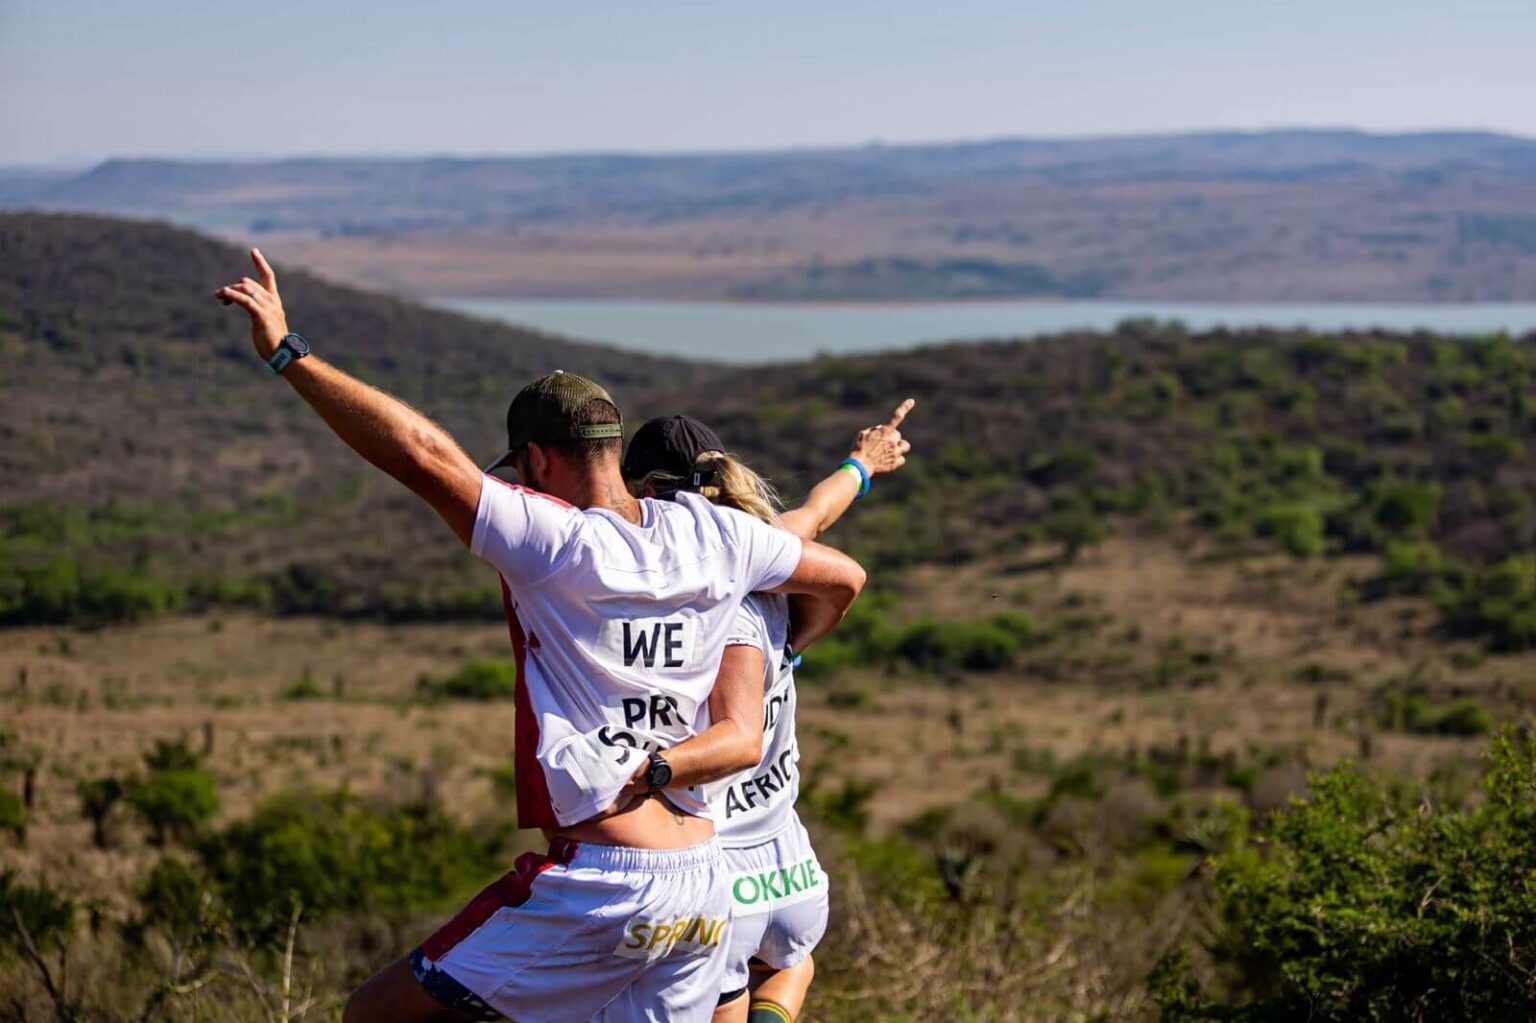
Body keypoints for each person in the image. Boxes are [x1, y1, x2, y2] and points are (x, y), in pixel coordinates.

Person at [215, 250, 868, 1023]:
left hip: (606, 880)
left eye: (521, 475)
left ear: (537, 460)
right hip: (702, 882)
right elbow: (841, 575)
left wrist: (291, 353)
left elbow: (422, 457)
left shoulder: (555, 542)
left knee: (375, 1013)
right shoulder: (716, 537)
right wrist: (789, 648)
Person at [621, 401, 914, 1023]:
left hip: (714, 883)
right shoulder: (769, 568)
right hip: (791, 876)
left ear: (645, 490)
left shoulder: (664, 602)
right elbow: (816, 512)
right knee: (792, 964)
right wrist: (864, 462)